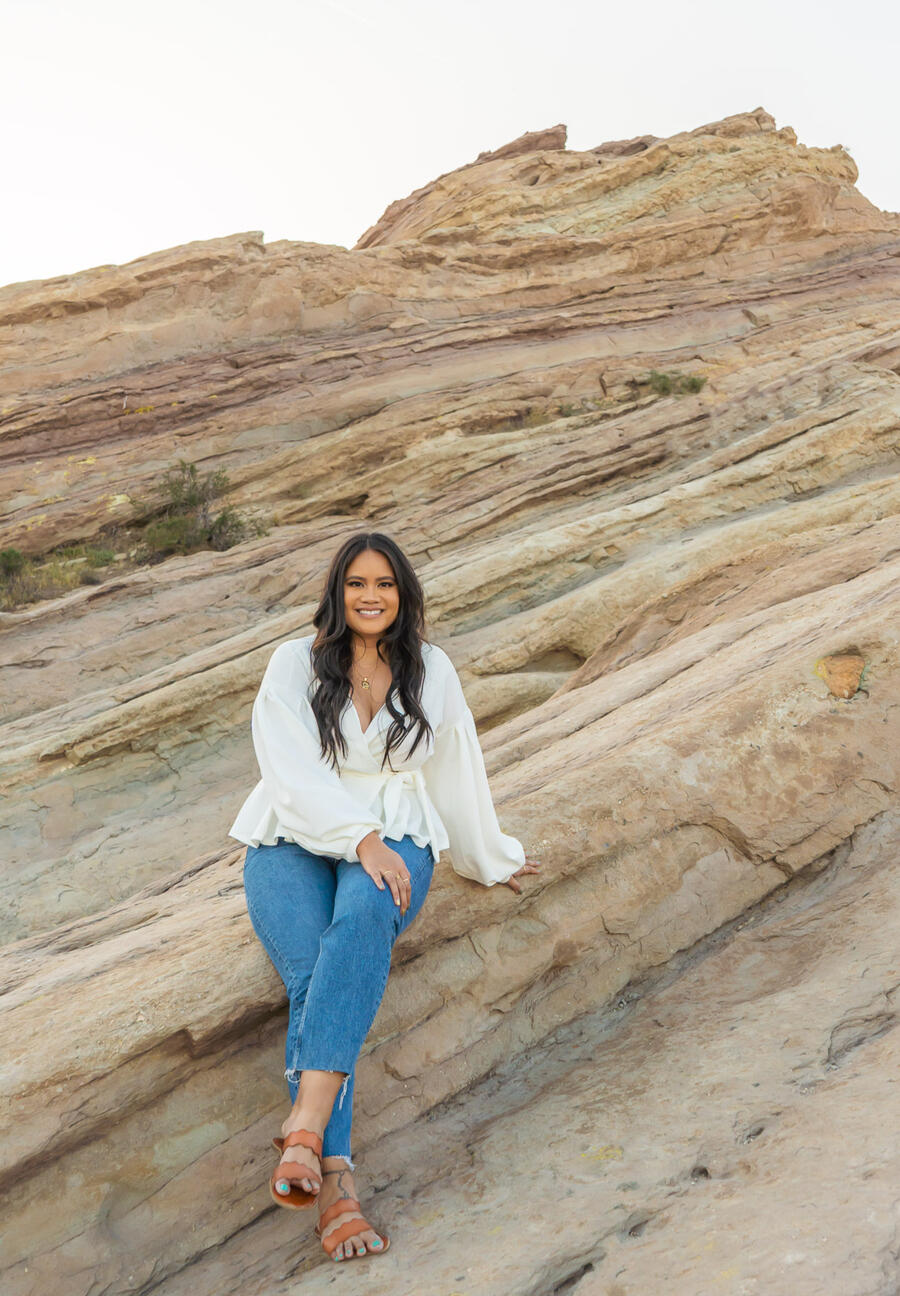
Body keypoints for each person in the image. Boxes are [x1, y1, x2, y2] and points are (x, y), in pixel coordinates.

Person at [228, 530, 541, 1263]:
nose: (371, 597)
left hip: (398, 826)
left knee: (364, 920)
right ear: (337, 593)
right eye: (357, 584)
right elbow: (288, 772)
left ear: (405, 594)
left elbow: (457, 768)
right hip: (292, 834)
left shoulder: (431, 669)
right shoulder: (293, 663)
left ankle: (307, 1132)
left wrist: (488, 856)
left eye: (386, 585)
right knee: (313, 974)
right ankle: (332, 1175)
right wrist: (356, 838)